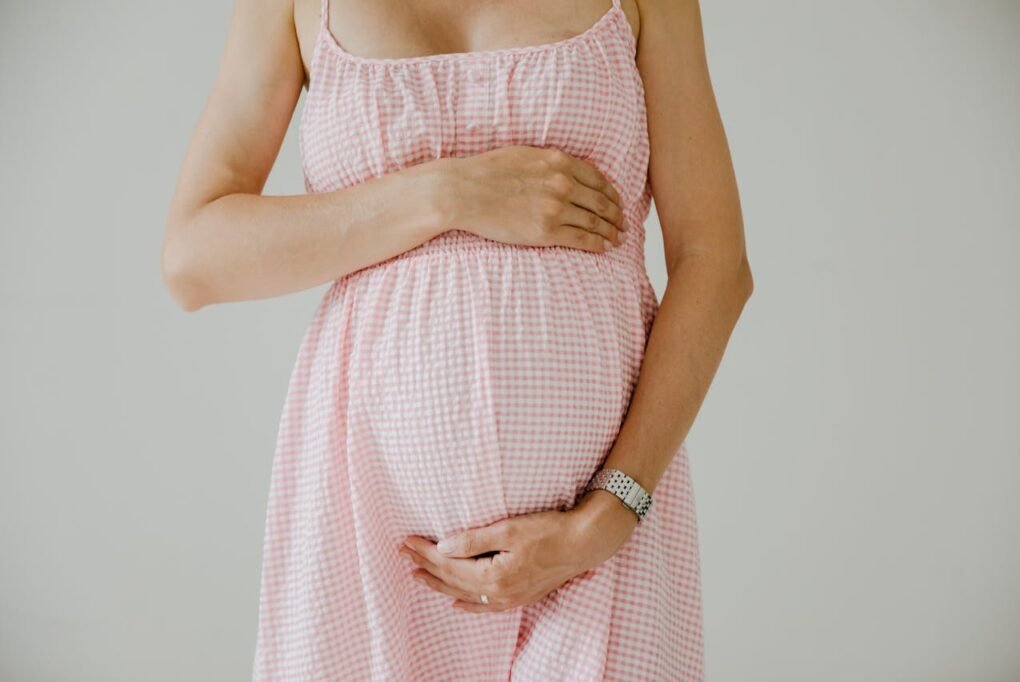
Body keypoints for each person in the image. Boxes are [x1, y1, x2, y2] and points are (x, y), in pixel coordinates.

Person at [161, 0, 752, 678]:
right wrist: (449, 193)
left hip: (601, 538)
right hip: (372, 528)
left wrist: (609, 515)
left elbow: (715, 260)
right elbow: (194, 258)